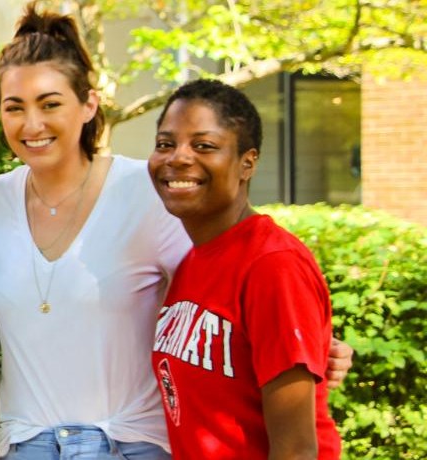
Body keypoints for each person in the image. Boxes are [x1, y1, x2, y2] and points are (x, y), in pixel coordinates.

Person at [0, 4, 352, 459]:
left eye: (50, 103)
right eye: (15, 107)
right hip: (24, 443)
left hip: (128, 443)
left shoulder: (148, 191)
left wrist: (317, 344)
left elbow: (243, 278)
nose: (32, 124)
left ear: (89, 104)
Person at [148, 79, 341, 458]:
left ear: (247, 163)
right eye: (165, 144)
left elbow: (297, 449)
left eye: (204, 145)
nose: (178, 157)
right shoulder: (193, 260)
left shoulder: (273, 264)